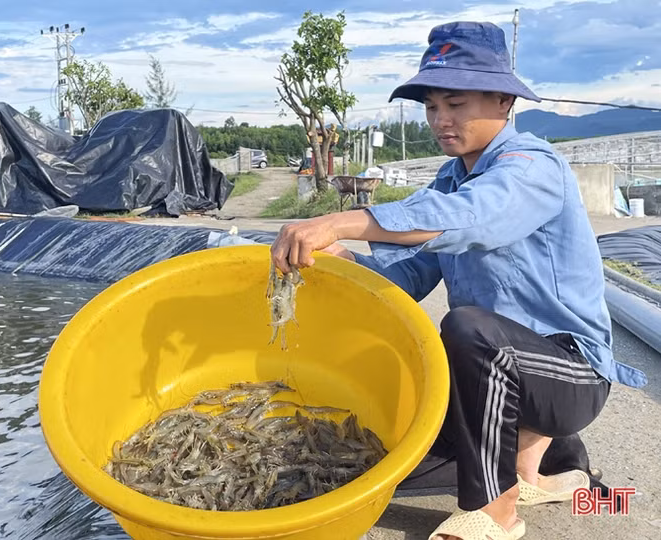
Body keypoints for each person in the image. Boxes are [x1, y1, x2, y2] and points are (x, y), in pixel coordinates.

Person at [269, 21, 647, 540]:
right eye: (432, 107)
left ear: (502, 101)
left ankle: (496, 510)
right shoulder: (450, 178)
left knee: (467, 327)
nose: (441, 120)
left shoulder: (532, 166)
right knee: (385, 461)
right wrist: (343, 264)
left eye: (456, 104)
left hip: (569, 372)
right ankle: (546, 465)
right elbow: (409, 275)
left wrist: (342, 220)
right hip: (502, 374)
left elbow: (470, 215)